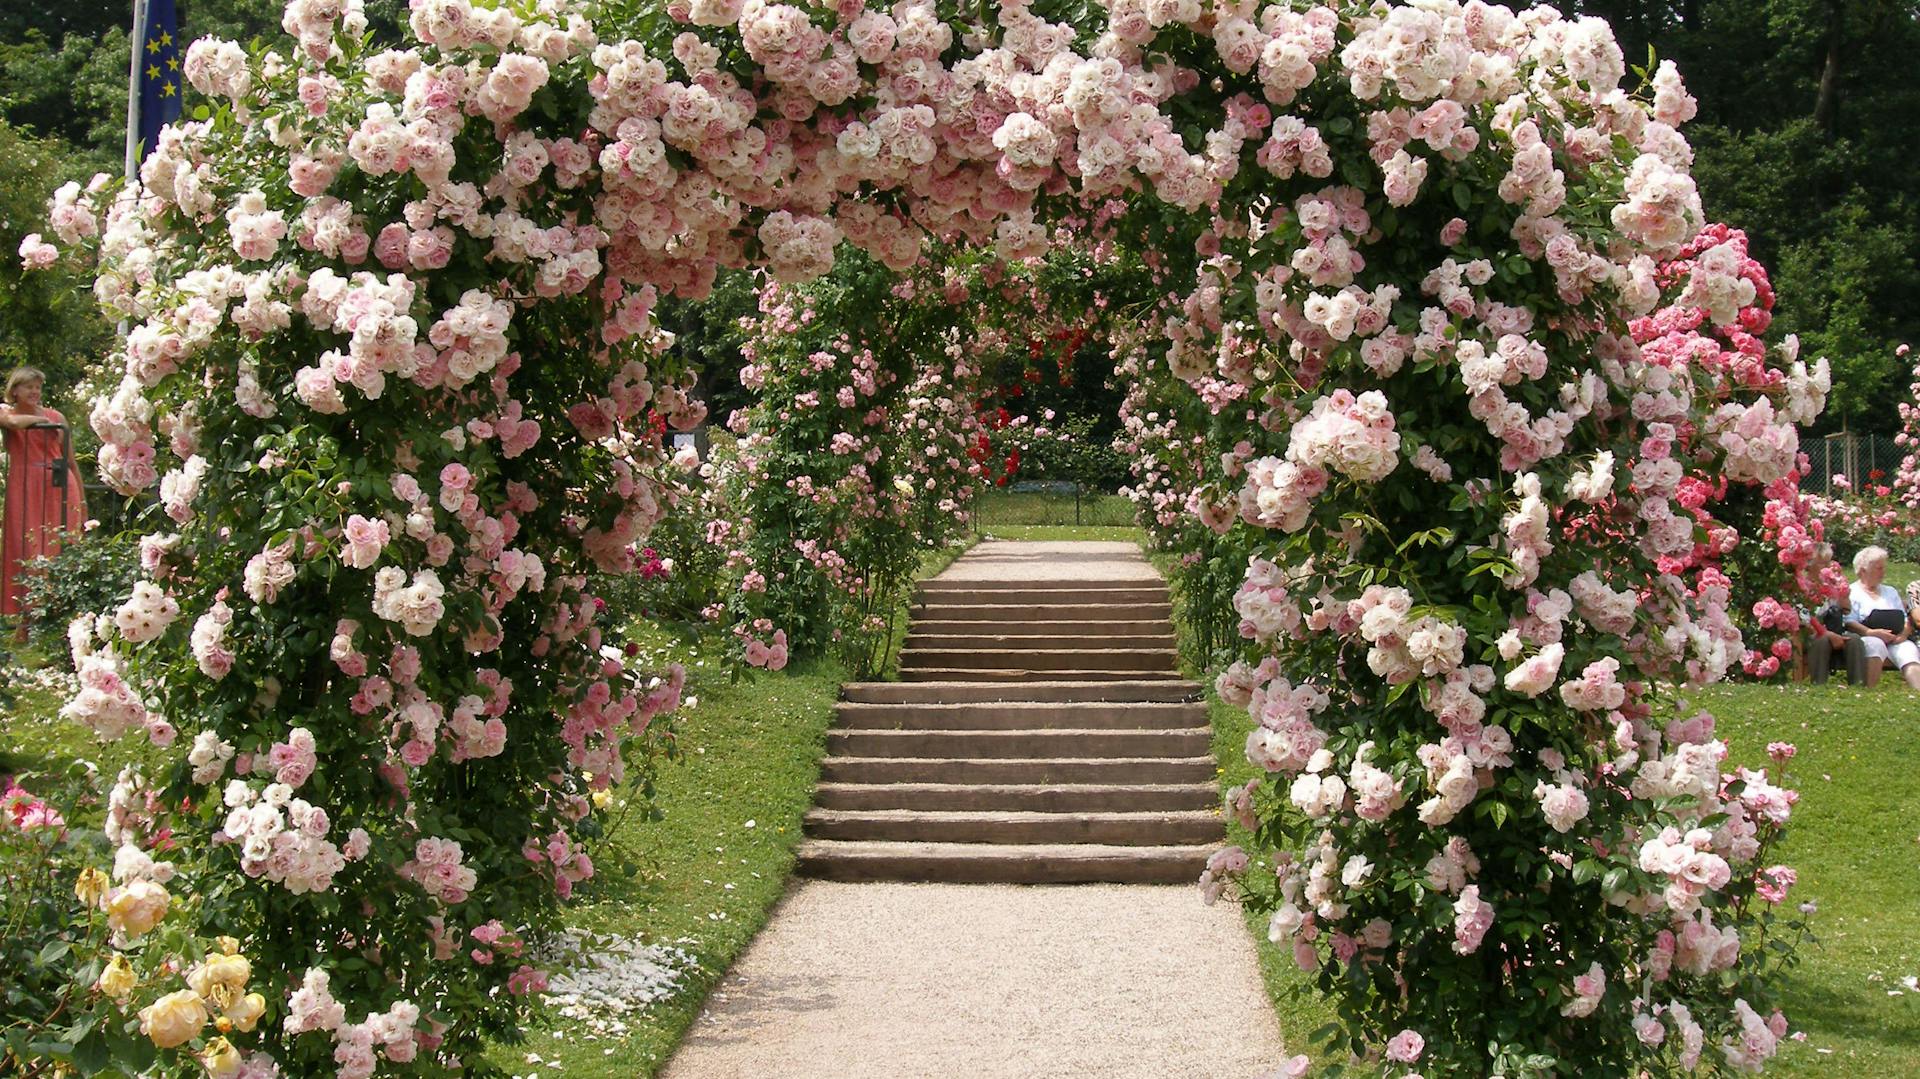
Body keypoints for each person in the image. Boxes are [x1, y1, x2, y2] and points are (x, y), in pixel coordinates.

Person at [0, 367, 87, 639]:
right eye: (29, 387)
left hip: (58, 483)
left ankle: (63, 621)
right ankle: (26, 621)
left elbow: (71, 461)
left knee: (60, 547)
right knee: (27, 545)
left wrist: (82, 502)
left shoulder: (56, 417)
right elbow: (13, 425)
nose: (35, 392)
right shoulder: (7, 413)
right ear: (15, 390)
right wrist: (39, 422)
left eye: (38, 387)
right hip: (24, 483)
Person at [1842, 545, 1920, 690]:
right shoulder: (1852, 592)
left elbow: (1904, 617)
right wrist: (1870, 632)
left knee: (1908, 649)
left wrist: (1903, 635)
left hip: (1895, 638)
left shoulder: (1890, 591)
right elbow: (1849, 621)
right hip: (1867, 636)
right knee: (1874, 644)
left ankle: (1918, 692)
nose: (1883, 572)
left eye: (1883, 568)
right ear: (1863, 570)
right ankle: (1869, 692)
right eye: (1879, 568)